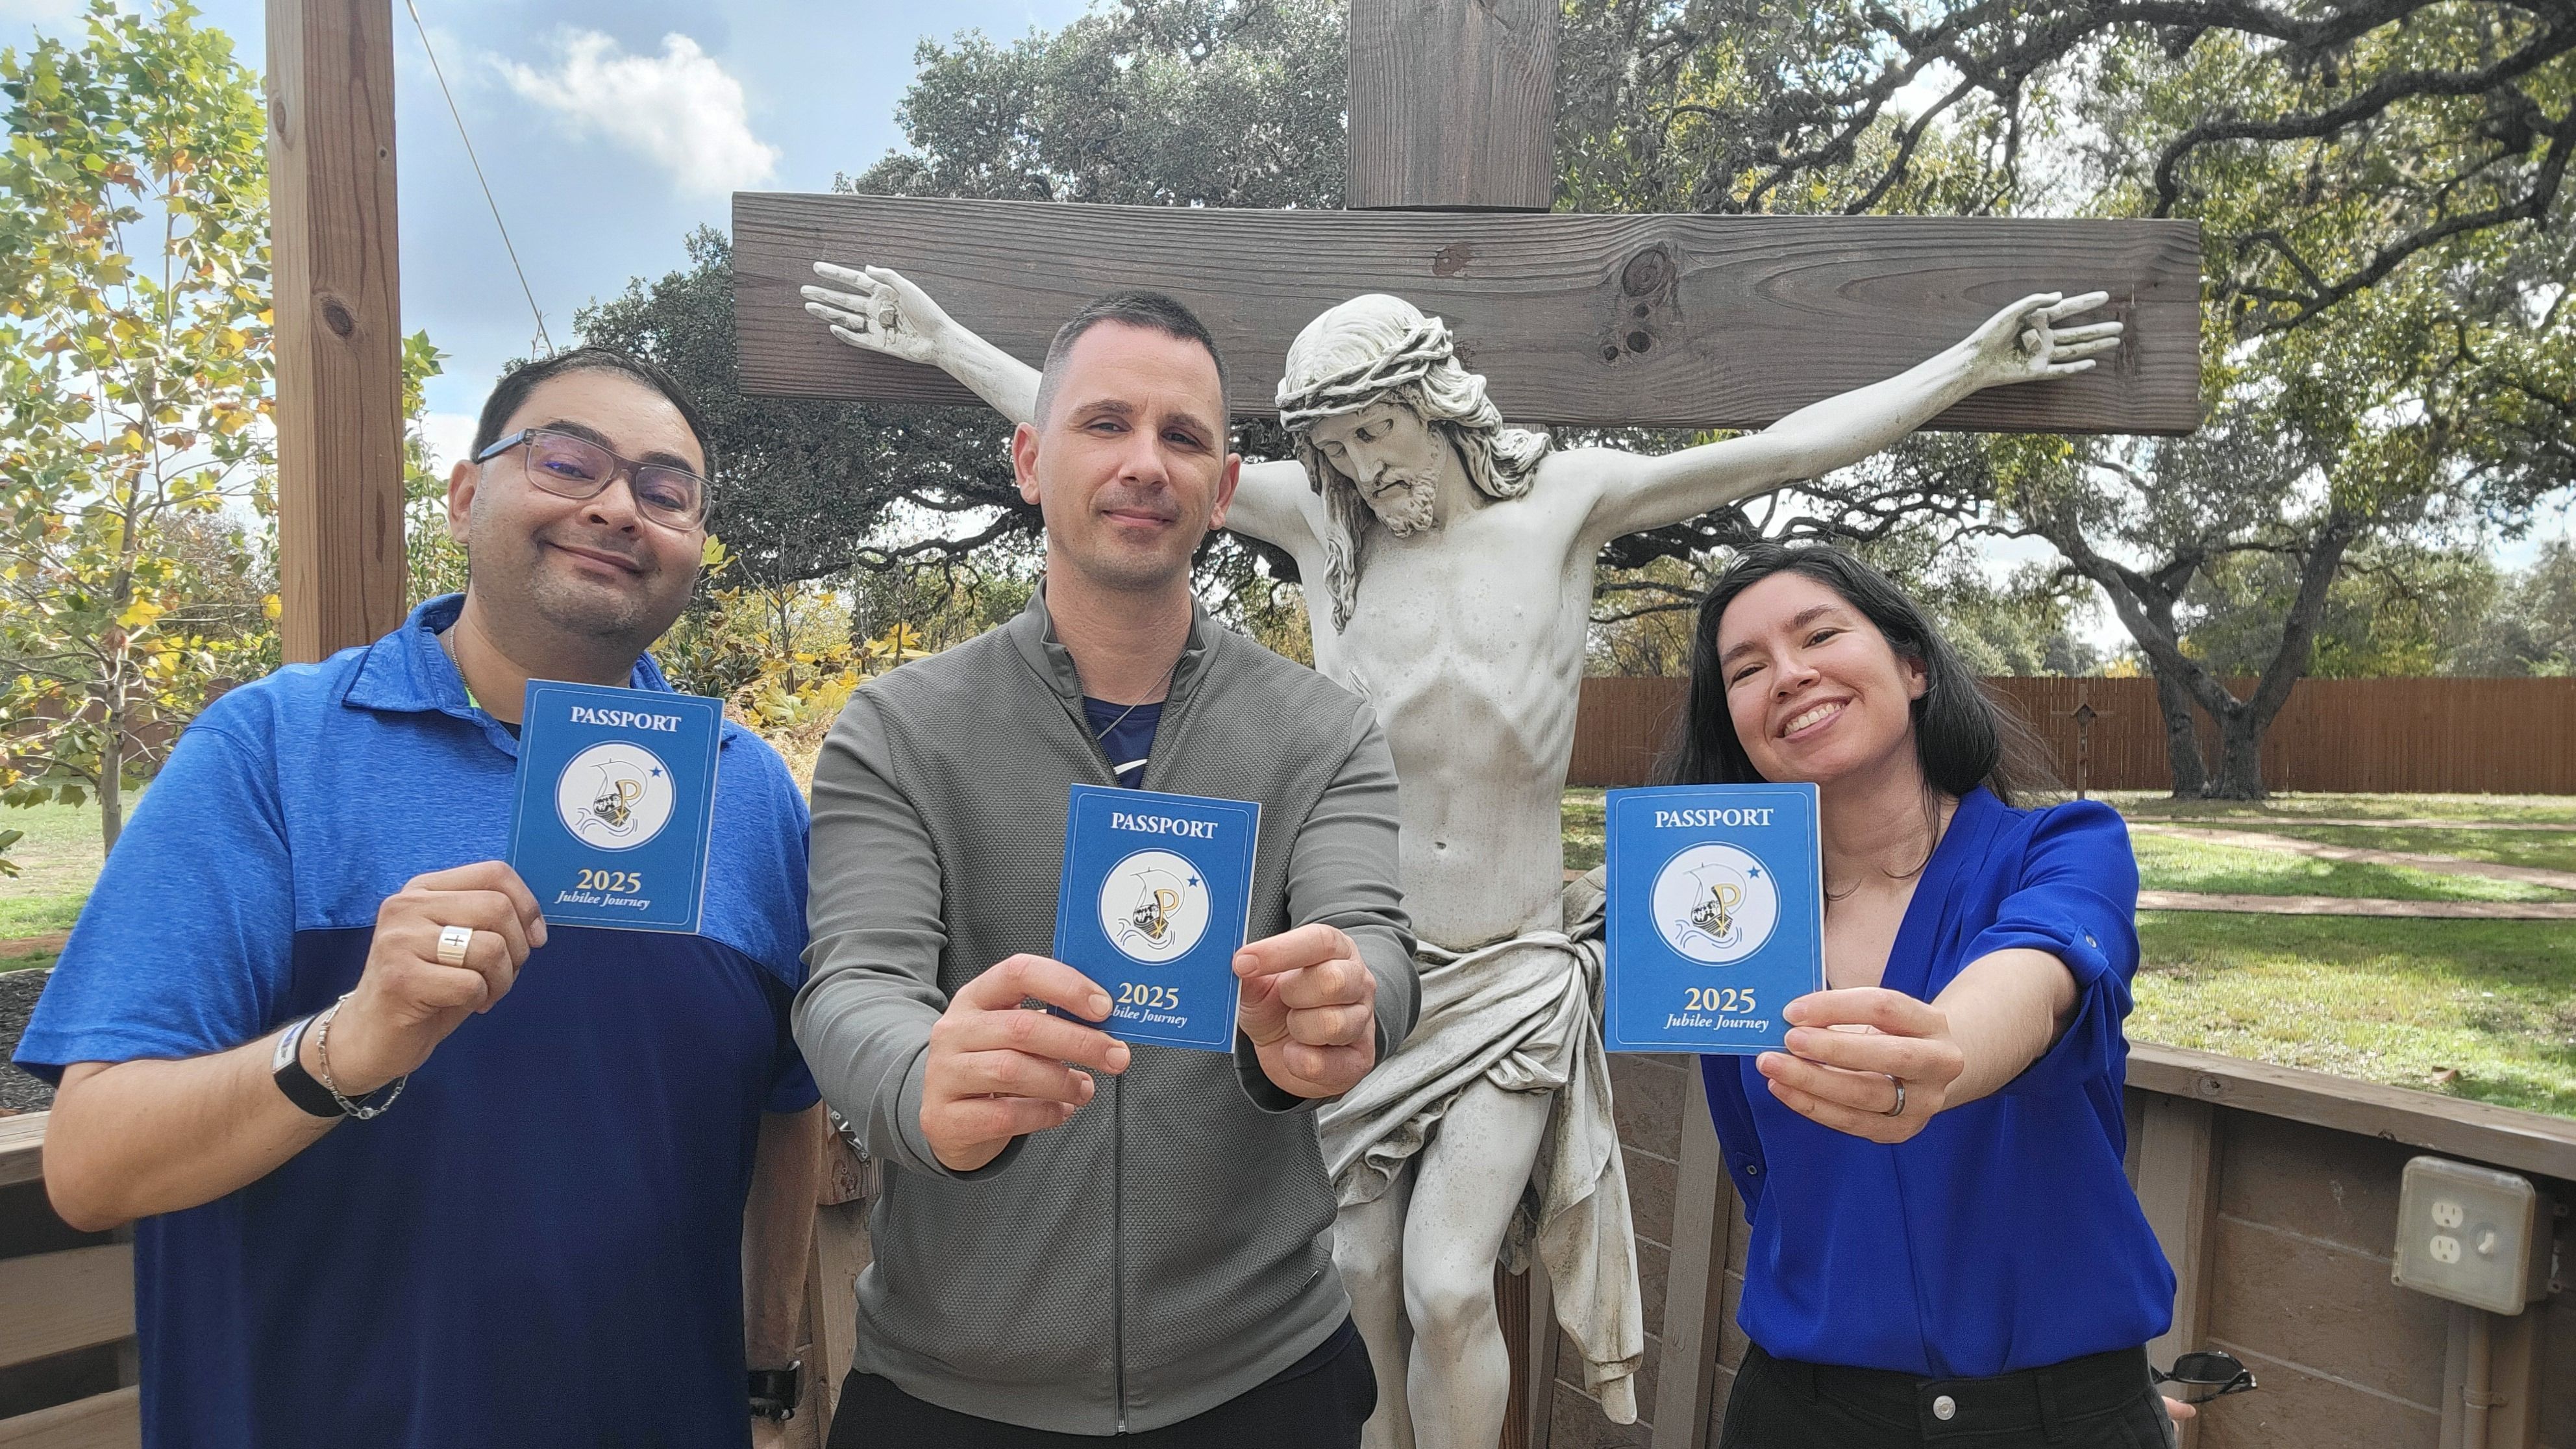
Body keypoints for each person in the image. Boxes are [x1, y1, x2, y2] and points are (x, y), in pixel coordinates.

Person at [800, 260, 2122, 1444]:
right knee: (1357, 1276)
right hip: (1352, 974)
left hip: (1504, 971)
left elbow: (1771, 454)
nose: (1367, 468)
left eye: (1378, 430)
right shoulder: (1322, 532)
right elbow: (1120, 439)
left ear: (1435, 401)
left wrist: (1967, 366)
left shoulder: (1562, 503)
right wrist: (942, 344)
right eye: (1335, 447)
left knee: (1445, 1283)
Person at [18, 348, 827, 1448]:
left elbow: (788, 1107)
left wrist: (769, 1374)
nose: (616, 508)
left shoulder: (746, 793)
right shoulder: (272, 752)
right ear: (464, 494)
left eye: (663, 490)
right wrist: (346, 1044)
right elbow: (91, 1163)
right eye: (567, 461)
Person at [793, 290, 1418, 1446]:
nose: (1146, 463)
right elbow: (852, 986)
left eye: (1184, 437)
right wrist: (924, 1076)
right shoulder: (900, 729)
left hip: (1266, 1379)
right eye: (1105, 425)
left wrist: (1344, 1003)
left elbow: (1373, 939)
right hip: (950, 1389)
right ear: (1030, 459)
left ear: (1224, 492)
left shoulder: (1322, 734)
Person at [1659, 543, 2186, 1448]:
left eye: (1820, 634)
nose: (1788, 675)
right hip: (1803, 1414)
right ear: (1736, 723)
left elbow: (2043, 966)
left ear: (1912, 666)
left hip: (2063, 1419)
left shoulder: (2067, 845)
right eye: (1746, 670)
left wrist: (1945, 1049)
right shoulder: (1724, 920)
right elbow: (1757, 1161)